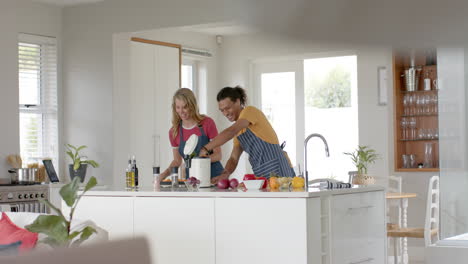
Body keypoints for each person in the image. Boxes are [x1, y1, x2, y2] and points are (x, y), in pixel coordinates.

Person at [199, 86, 295, 184]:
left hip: (278, 170)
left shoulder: (249, 111)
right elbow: (233, 158)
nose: (225, 113)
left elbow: (230, 131)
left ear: (238, 101)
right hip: (262, 176)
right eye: (222, 110)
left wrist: (206, 148)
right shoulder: (239, 132)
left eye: (227, 108)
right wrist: (225, 174)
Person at [158, 88, 224, 181]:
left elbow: (218, 155)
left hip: (215, 178)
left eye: (185, 107)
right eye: (178, 107)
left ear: (192, 106)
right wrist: (163, 175)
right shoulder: (174, 132)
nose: (181, 111)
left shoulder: (207, 123)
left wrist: (197, 162)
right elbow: (177, 161)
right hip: (192, 181)